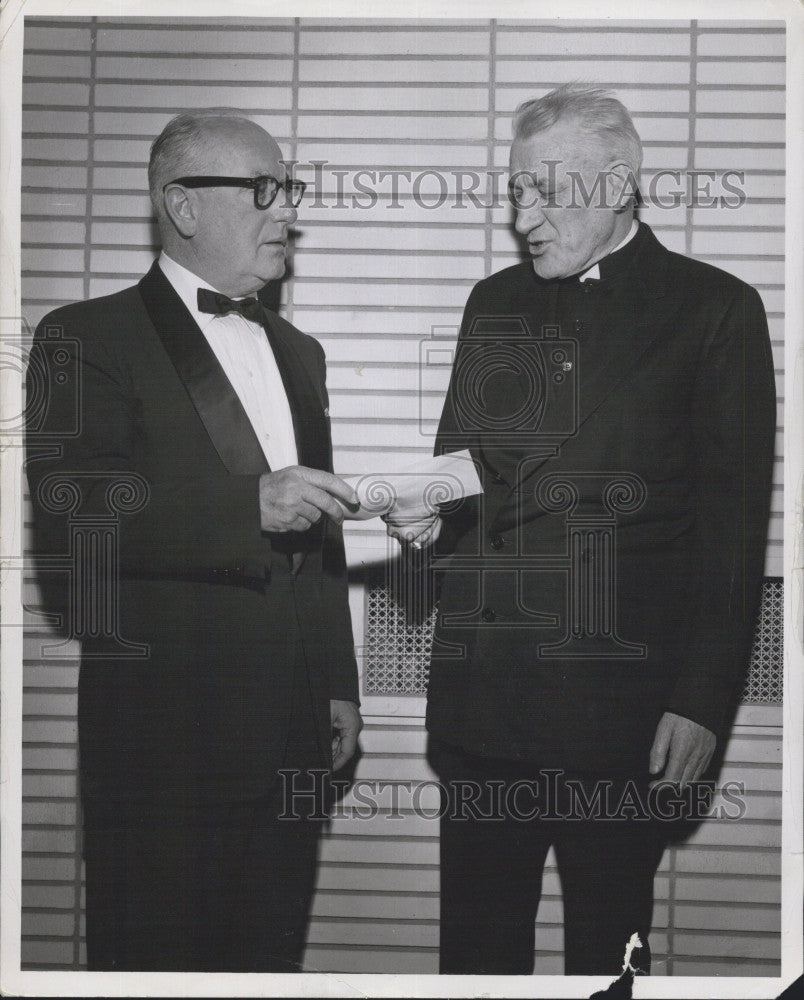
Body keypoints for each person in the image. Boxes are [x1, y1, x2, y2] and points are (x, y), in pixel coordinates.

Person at [385, 84, 776, 976]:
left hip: (625, 722)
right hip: (483, 713)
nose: (523, 216)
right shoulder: (493, 302)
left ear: (620, 183)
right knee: (474, 969)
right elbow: (470, 467)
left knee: (610, 963)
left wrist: (702, 701)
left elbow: (732, 529)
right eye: (514, 190)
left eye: (545, 191)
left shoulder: (716, 310)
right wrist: (427, 511)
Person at [25, 111, 362, 972]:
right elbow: (75, 514)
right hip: (160, 749)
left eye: (289, 192)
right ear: (180, 206)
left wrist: (337, 688)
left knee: (265, 970)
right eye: (263, 191)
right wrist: (249, 502)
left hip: (291, 739)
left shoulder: (301, 351)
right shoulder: (82, 337)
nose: (287, 212)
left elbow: (314, 543)